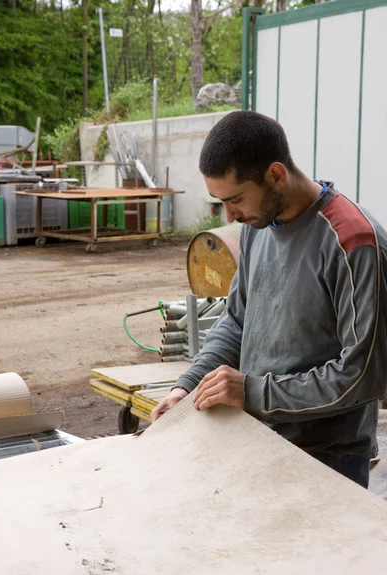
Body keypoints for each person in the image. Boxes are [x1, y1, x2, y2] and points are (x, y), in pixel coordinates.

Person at [151, 111, 387, 489]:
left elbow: (361, 377)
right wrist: (189, 385)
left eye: (236, 199)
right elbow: (235, 322)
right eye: (220, 202)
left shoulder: (352, 242)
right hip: (256, 438)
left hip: (327, 459)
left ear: (276, 175)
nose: (230, 215)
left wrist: (250, 391)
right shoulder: (258, 226)